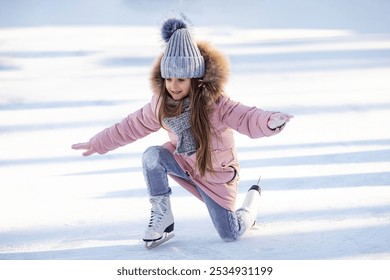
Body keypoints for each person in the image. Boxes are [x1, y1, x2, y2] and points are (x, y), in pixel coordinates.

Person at [72, 16, 293, 247]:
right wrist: (98, 143)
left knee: (230, 233)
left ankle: (250, 205)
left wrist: (269, 121)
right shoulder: (161, 105)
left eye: (180, 79)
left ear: (195, 79)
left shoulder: (216, 105)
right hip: (184, 165)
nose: (173, 86)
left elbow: (247, 117)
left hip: (215, 176)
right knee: (152, 155)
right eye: (168, 78)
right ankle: (163, 219)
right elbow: (131, 125)